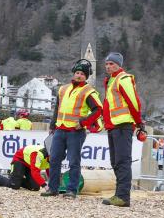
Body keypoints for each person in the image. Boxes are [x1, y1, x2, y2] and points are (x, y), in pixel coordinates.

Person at [42, 59, 102, 198]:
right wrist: (52, 125)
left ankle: (72, 190)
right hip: (60, 129)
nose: (79, 75)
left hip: (76, 131)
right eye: (77, 73)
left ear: (86, 76)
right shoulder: (63, 89)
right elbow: (57, 108)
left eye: (82, 74)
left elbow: (98, 110)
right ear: (74, 73)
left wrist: (83, 122)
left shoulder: (89, 91)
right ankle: (53, 188)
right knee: (54, 159)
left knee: (74, 161)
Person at [101, 52, 144, 207]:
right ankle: (119, 194)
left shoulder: (123, 79)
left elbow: (134, 101)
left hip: (123, 124)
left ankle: (123, 196)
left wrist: (139, 122)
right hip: (114, 125)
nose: (108, 66)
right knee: (116, 161)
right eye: (107, 64)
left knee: (122, 161)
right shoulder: (111, 80)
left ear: (119, 65)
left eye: (111, 64)